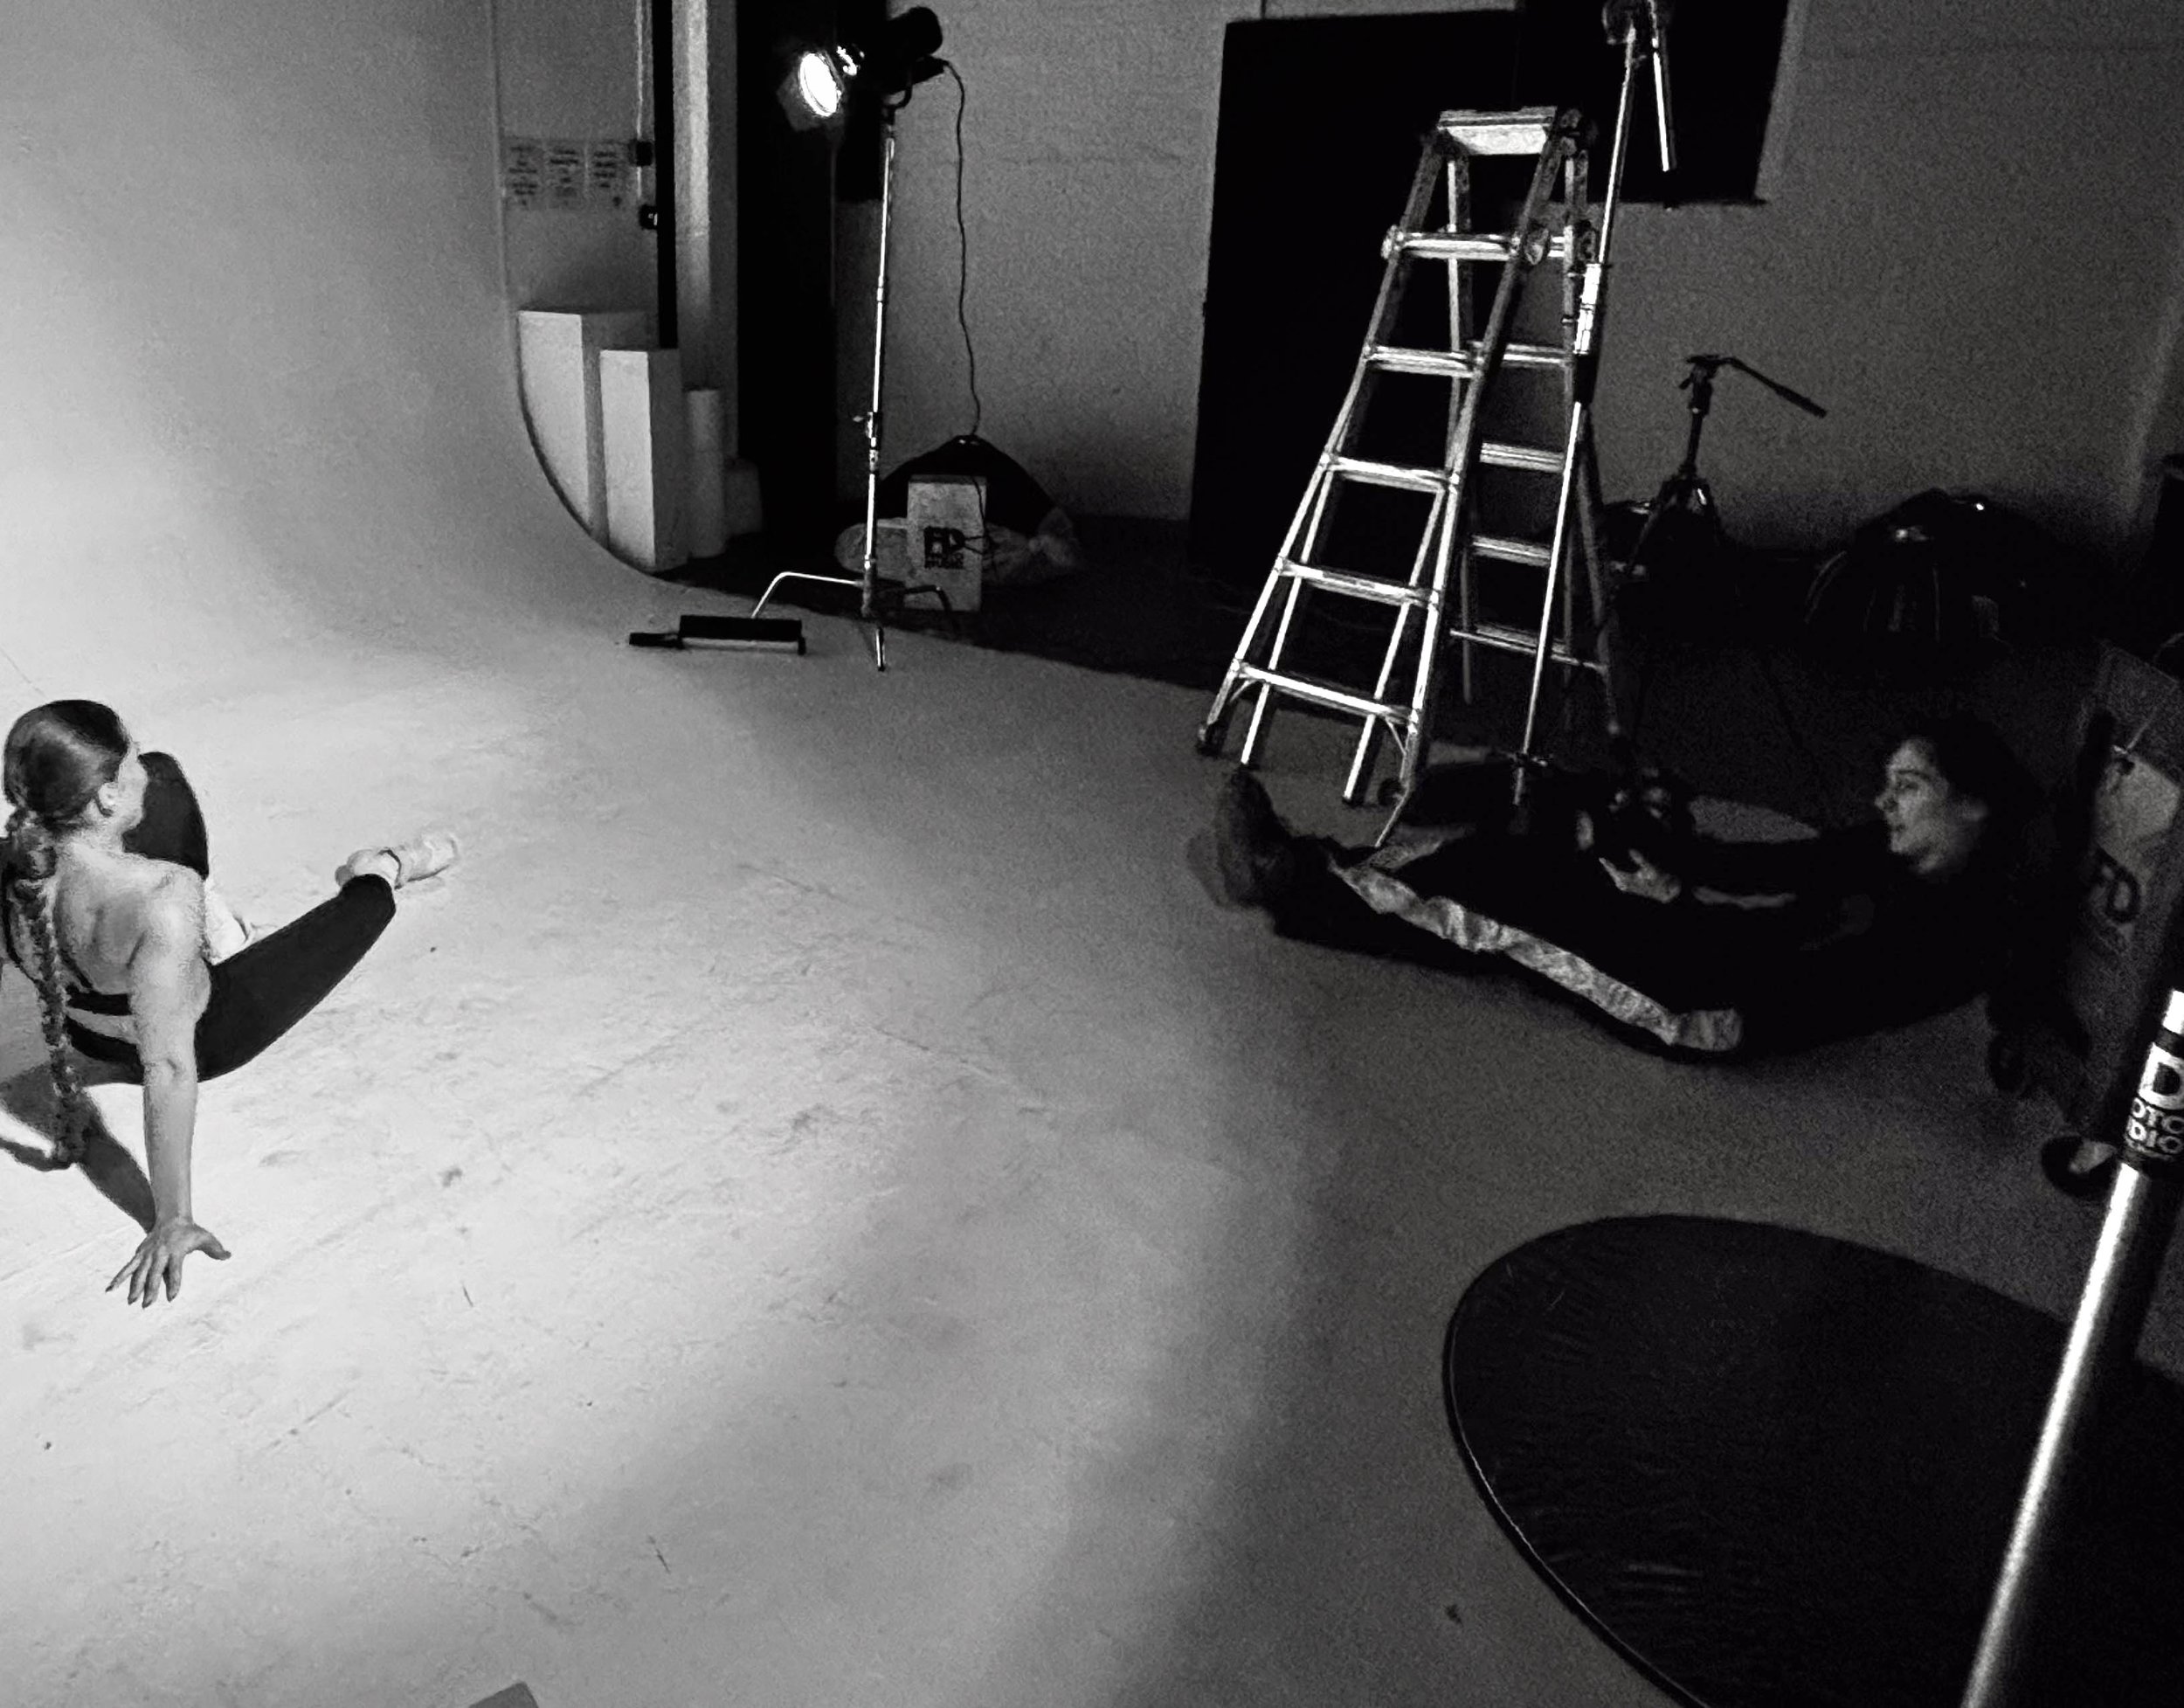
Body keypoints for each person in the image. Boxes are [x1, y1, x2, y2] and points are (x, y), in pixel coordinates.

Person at [1210, 712, 2036, 1059]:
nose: (1884, 800)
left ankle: (1293, 885)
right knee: (1540, 853)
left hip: (1700, 1006)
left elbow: (1793, 970)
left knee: (1499, 917)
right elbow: (1770, 869)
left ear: (1975, 805)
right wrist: (1668, 856)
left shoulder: (1943, 936)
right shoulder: (1886, 851)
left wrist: (1670, 905)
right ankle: (1326, 861)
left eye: (1912, 786)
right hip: (1708, 948)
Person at [1, 700, 458, 1306]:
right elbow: (167, 1066)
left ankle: (212, 930)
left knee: (167, 776)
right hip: (209, 1029)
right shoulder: (162, 894)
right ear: (107, 797)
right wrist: (172, 1218)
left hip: (90, 1028)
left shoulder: (17, 863)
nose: (140, 766)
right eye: (129, 759)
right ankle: (382, 869)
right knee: (364, 908)